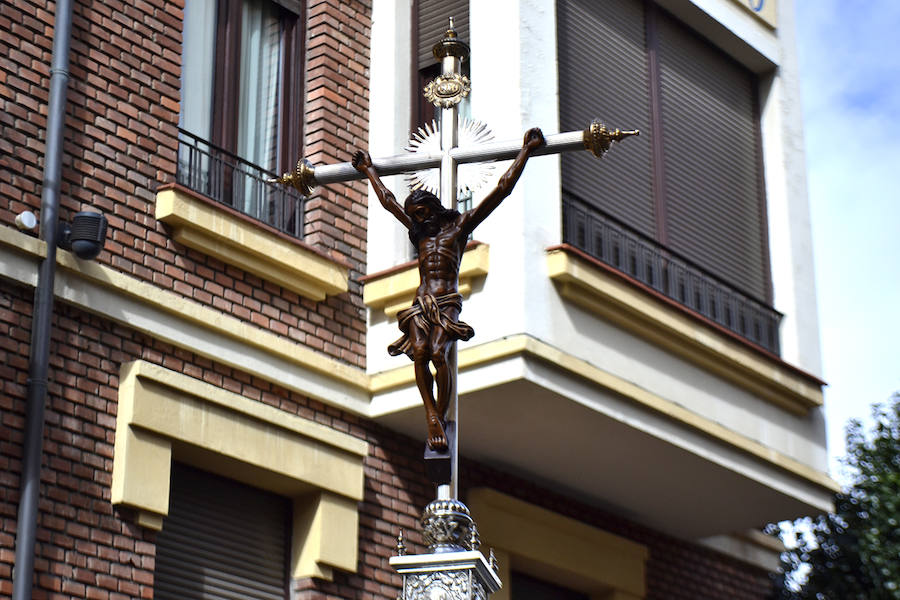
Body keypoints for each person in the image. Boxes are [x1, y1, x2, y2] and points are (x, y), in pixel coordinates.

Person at [353, 127, 545, 451]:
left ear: (432, 207)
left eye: (421, 213)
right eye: (413, 216)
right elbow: (387, 202)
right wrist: (368, 169)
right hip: (421, 300)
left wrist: (525, 150)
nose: (416, 220)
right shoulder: (420, 235)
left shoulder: (458, 228)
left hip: (446, 300)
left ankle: (440, 416)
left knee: (438, 353)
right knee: (418, 353)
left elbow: (502, 190)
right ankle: (431, 415)